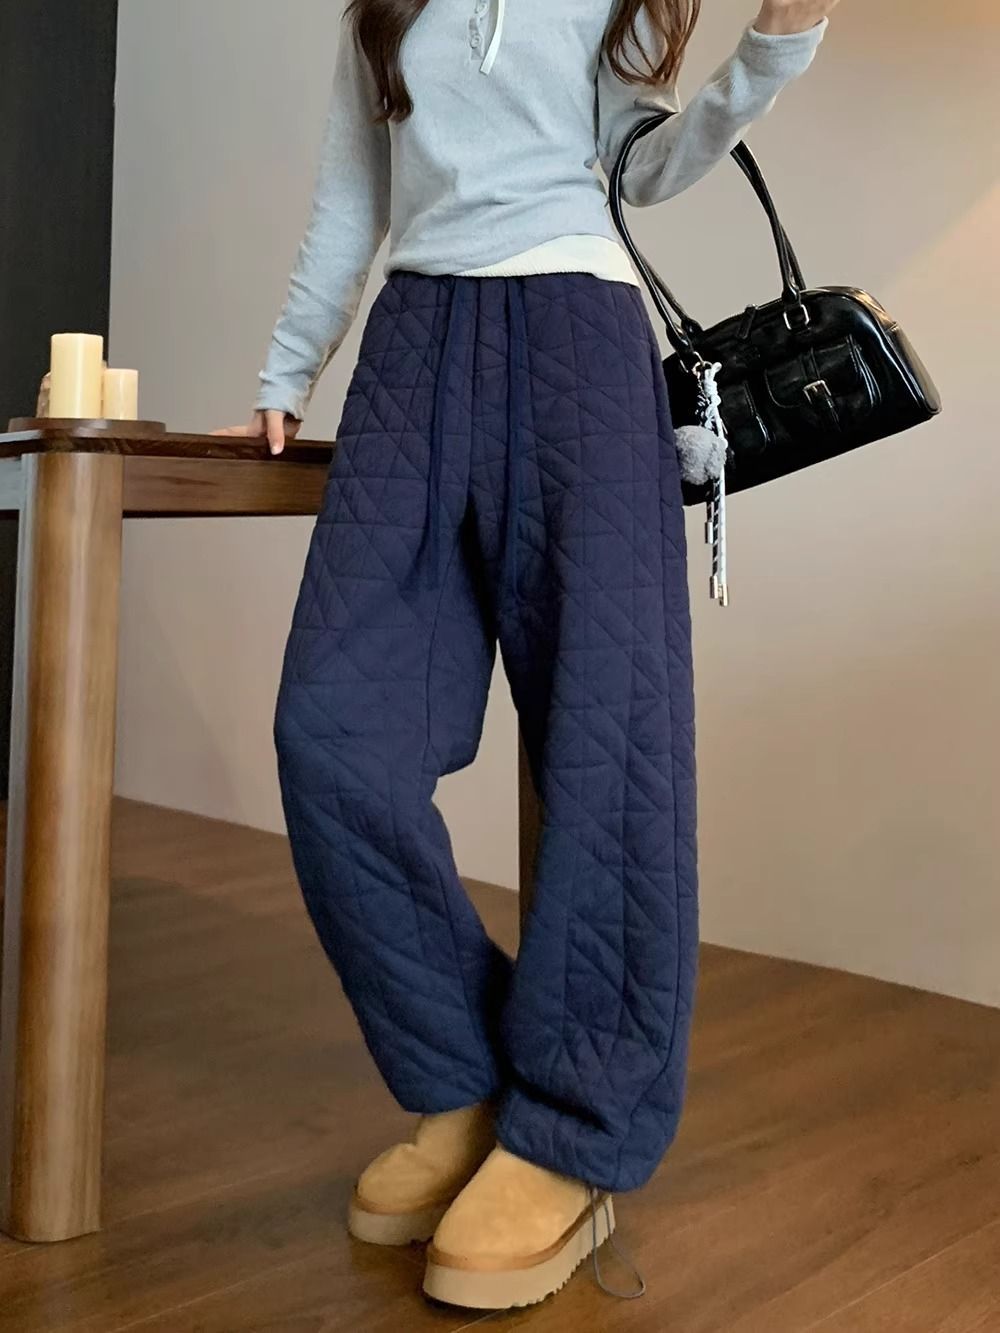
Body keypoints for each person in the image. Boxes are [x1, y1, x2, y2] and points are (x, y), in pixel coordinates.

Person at [216, 0, 835, 1310]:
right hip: (411, 351)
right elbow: (353, 195)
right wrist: (286, 368)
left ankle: (575, 1129)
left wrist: (774, 48)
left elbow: (644, 170)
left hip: (579, 349)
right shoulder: (384, 10)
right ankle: (466, 1078)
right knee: (333, 732)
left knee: (611, 746)